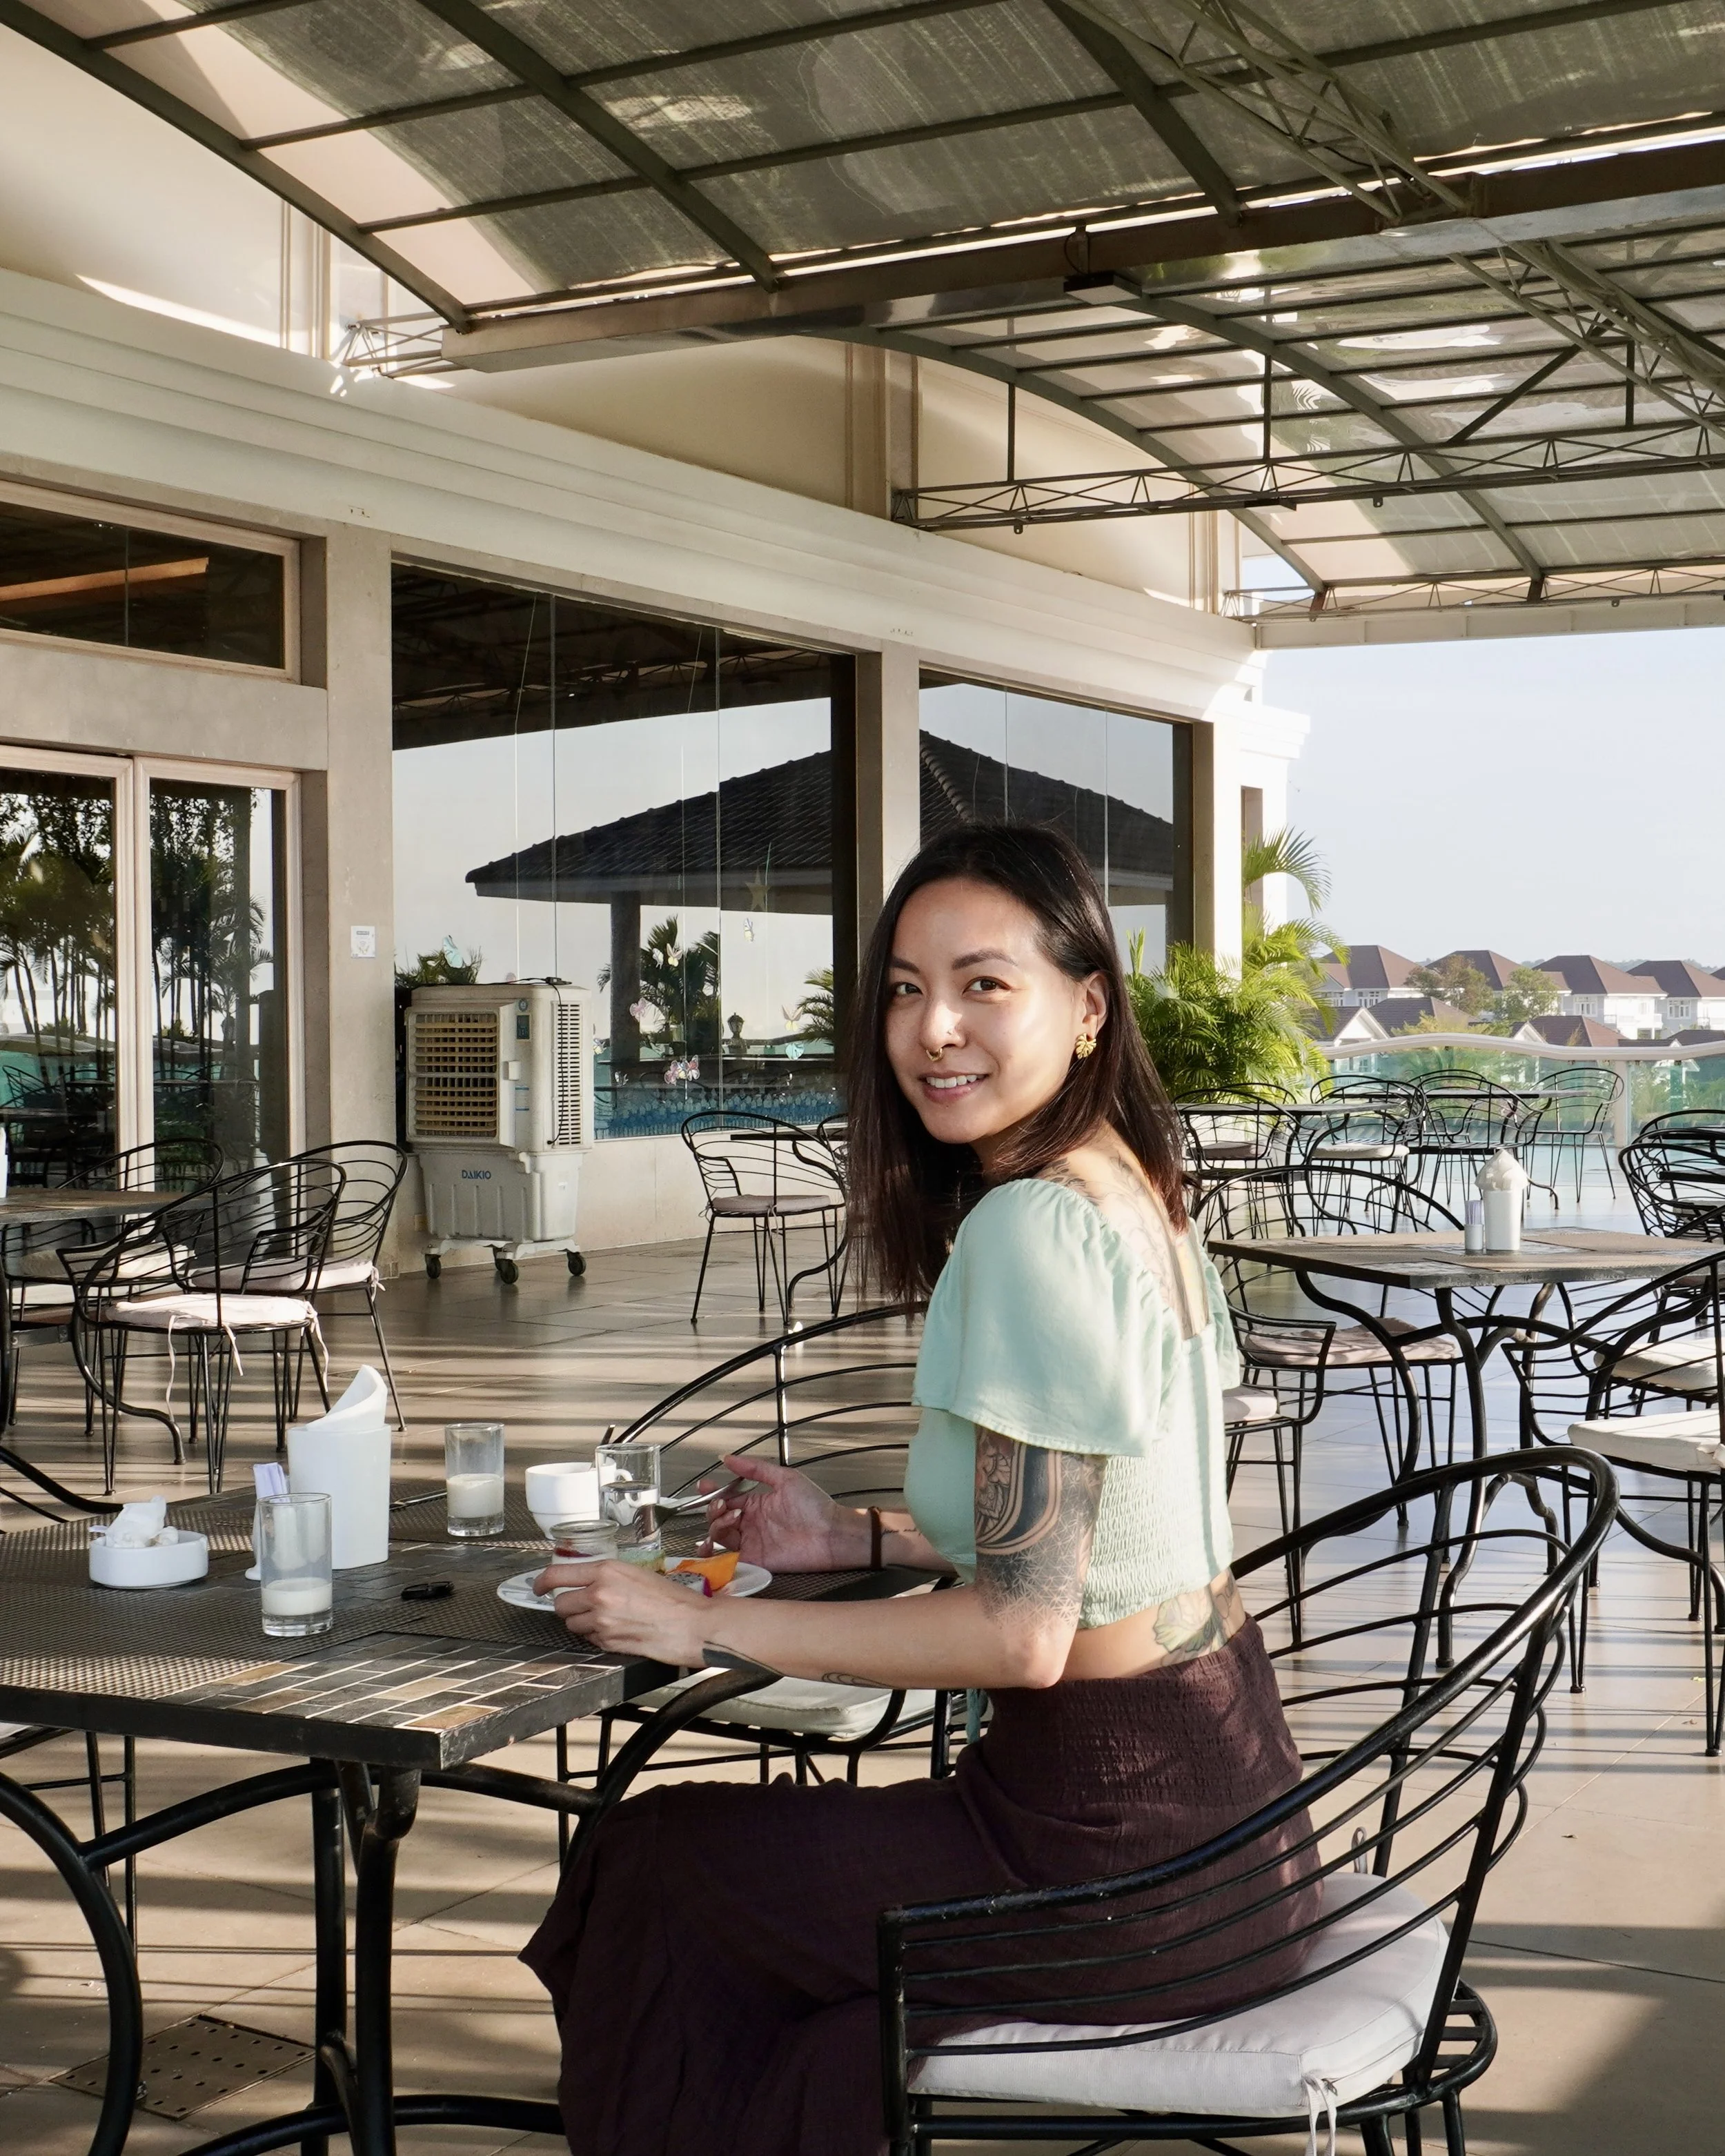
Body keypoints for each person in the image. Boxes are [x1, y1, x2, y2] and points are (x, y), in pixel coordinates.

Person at [522, 822, 1318, 2156]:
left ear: (1087, 1007)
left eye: (983, 984)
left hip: (1110, 1859)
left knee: (656, 1864)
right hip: (1230, 1835)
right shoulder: (1132, 1190)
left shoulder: (1030, 1229)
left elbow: (1022, 1635)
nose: (933, 1027)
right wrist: (858, 1534)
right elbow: (1119, 1531)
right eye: (904, 987)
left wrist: (699, 1621)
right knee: (804, 1994)